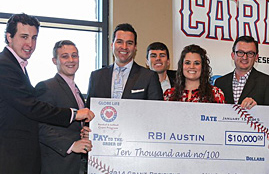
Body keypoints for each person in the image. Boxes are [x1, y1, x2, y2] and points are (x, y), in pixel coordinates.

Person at [0, 13, 94, 174]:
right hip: (14, 158)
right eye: (24, 37)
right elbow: (32, 109)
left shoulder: (18, 65)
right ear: (9, 37)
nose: (30, 43)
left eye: (34, 38)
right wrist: (74, 114)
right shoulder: (5, 65)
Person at [35, 40, 91, 174]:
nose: (71, 60)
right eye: (65, 56)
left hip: (78, 164)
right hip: (58, 165)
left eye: (74, 55)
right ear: (55, 60)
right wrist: (71, 146)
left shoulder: (76, 89)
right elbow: (40, 126)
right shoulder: (46, 87)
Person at [86, 23, 163, 107]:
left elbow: (157, 111)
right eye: (119, 42)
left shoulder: (149, 77)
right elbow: (89, 110)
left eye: (129, 43)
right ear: (112, 45)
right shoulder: (96, 77)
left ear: (135, 47)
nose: (124, 47)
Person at [215, 36, 269, 109]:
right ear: (233, 55)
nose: (245, 57)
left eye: (250, 53)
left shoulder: (266, 82)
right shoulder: (220, 83)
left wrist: (259, 108)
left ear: (256, 57)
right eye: (240, 52)